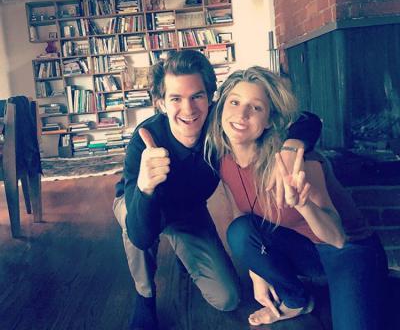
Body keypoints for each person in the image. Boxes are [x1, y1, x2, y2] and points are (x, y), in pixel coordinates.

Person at [113, 51, 322, 330]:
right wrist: (145, 186)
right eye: (175, 98)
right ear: (161, 103)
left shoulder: (220, 124)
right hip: (142, 205)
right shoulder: (144, 140)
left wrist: (291, 146)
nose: (188, 109)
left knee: (227, 299)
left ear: (211, 97)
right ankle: (145, 295)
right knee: (135, 223)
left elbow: (307, 119)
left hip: (189, 212)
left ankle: (182, 248)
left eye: (197, 96)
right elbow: (141, 236)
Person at [204, 66, 388, 330]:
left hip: (349, 251)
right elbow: (243, 217)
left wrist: (304, 205)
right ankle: (296, 300)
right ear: (221, 107)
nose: (242, 114)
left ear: (268, 120)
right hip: (304, 251)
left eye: (255, 107)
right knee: (239, 230)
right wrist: (257, 273)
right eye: (234, 102)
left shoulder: (294, 161)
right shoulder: (224, 160)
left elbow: (337, 238)